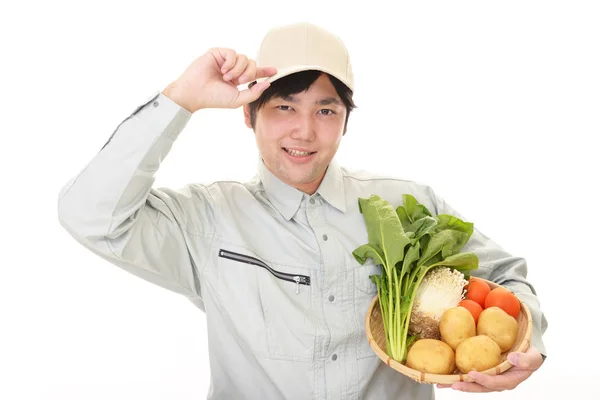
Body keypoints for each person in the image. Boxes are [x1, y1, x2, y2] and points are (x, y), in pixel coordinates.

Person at [57, 22, 547, 399]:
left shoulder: (405, 204)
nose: (305, 132)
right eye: (284, 108)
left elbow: (503, 274)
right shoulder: (205, 218)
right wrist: (181, 99)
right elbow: (90, 215)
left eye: (326, 110)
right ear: (248, 114)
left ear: (346, 122)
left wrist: (529, 346)